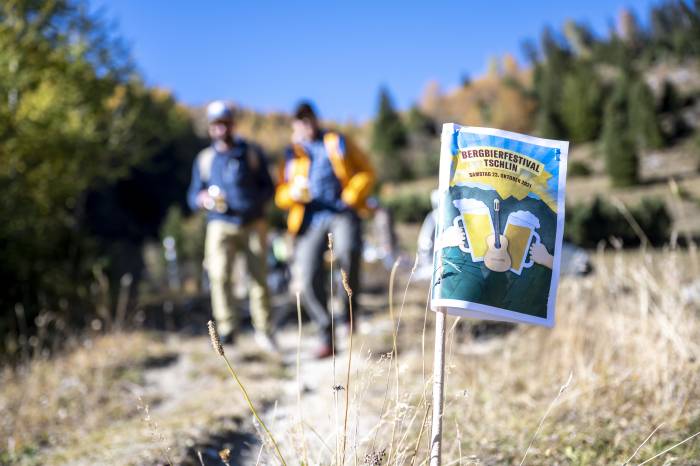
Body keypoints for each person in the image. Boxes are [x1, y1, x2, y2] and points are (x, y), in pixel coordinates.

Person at [275, 101, 375, 358]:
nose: (305, 125)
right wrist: (293, 194)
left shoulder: (336, 142)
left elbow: (366, 170)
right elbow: (280, 196)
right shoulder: (291, 155)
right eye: (300, 121)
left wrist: (352, 196)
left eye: (308, 119)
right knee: (307, 277)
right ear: (294, 126)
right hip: (309, 221)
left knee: (348, 252)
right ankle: (325, 335)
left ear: (315, 120)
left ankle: (348, 311)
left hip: (341, 213)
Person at [187, 101, 277, 351]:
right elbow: (193, 195)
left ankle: (264, 330)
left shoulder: (251, 153)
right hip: (219, 224)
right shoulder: (204, 159)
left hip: (253, 223)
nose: (221, 129)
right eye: (216, 124)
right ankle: (227, 330)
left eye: (225, 123)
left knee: (258, 278)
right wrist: (202, 199)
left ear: (232, 125)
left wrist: (252, 204)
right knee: (219, 276)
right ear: (210, 128)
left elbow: (268, 187)